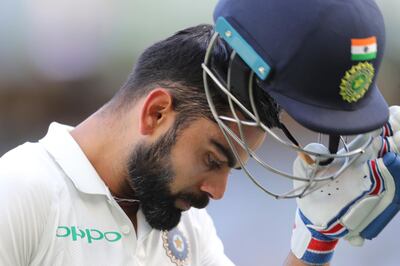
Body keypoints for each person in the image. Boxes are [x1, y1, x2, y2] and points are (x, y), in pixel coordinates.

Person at [0, 2, 399, 266]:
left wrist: (313, 243)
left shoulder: (184, 226)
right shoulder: (20, 191)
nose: (219, 191)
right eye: (213, 159)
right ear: (156, 112)